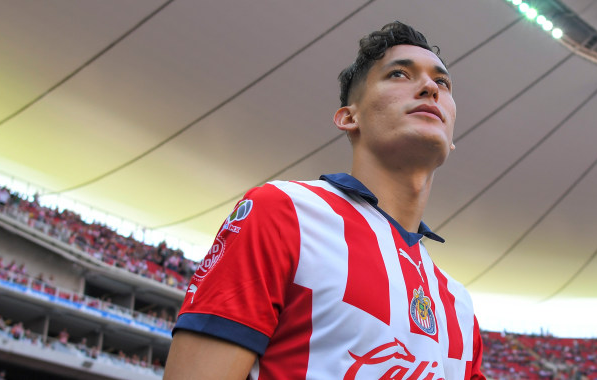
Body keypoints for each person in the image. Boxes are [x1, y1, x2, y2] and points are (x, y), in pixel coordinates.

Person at [165, 21, 485, 379]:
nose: (430, 87)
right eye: (399, 74)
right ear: (349, 117)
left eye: (442, 83)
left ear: (452, 135)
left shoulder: (459, 307)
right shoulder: (285, 212)